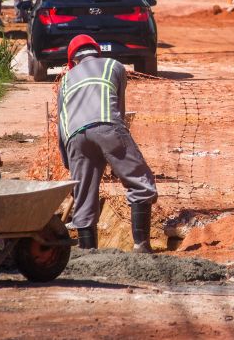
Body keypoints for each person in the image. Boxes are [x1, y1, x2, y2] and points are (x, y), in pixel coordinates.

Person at [57, 35, 158, 252]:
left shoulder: (65, 80)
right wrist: (116, 145)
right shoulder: (114, 66)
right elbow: (118, 109)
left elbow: (61, 124)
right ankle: (141, 245)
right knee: (140, 181)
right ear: (96, 52)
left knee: (83, 196)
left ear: (72, 60)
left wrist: (71, 163)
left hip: (74, 139)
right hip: (107, 126)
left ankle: (87, 251)